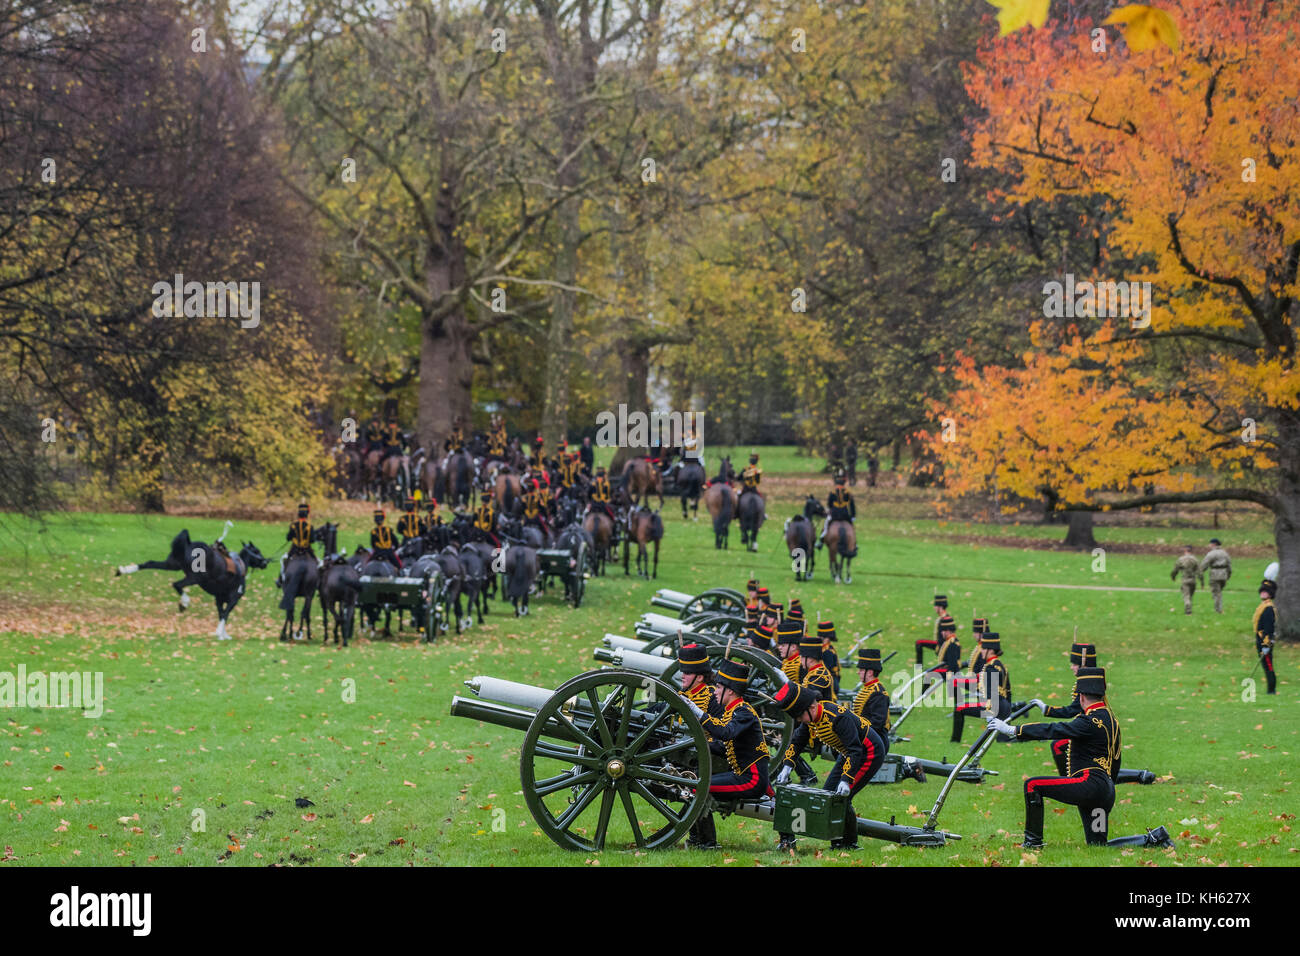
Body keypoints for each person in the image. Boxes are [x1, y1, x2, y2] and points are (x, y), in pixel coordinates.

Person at [986, 667, 1119, 848]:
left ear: (1081, 697)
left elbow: (1054, 729)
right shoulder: (1111, 719)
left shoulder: (1088, 720)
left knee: (1032, 785)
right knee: (1099, 845)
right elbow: (1116, 761)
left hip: (1090, 787)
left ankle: (1033, 843)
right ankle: (1153, 838)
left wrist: (1014, 730)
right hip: (1104, 793)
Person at [773, 681, 885, 850]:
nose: (799, 720)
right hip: (848, 753)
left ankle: (848, 844)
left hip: (868, 752)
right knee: (829, 794)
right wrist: (787, 766)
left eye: (799, 716)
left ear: (811, 707)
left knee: (841, 798)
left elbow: (856, 750)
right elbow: (797, 742)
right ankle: (837, 841)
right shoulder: (811, 717)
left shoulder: (837, 718)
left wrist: (846, 780)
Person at [681, 658, 771, 850]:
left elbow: (726, 733)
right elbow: (723, 747)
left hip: (751, 779)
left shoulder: (743, 712)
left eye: (719, 688)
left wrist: (698, 712)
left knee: (699, 787)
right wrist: (693, 744)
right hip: (742, 775)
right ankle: (697, 839)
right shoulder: (732, 712)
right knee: (696, 783)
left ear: (730, 691)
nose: (715, 692)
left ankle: (707, 843)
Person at [1254, 579, 1278, 695]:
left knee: (1269, 666)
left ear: (1270, 594)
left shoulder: (1268, 608)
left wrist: (1265, 644)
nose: (1263, 593)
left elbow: (1268, 628)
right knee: (1266, 666)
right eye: (1262, 591)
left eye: (1266, 592)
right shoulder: (1263, 606)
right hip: (1260, 640)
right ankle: (1270, 689)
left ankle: (1271, 690)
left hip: (1265, 642)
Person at [818, 472, 855, 549]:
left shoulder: (832, 492)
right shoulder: (848, 493)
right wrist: (853, 516)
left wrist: (828, 511)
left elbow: (829, 504)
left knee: (826, 524)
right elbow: (851, 505)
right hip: (845, 514)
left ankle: (821, 540)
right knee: (851, 527)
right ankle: (854, 543)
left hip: (834, 514)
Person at [1199, 538, 1232, 613]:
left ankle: (1218, 610)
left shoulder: (1211, 553)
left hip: (1214, 575)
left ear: (1213, 544)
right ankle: (1219, 608)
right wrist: (1228, 575)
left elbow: (1205, 564)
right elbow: (1229, 565)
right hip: (1224, 575)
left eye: (1210, 544)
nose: (1209, 545)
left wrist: (1199, 572)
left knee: (1216, 593)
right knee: (1219, 592)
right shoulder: (1225, 553)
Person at [916, 594, 948, 664]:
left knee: (919, 643)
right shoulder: (941, 618)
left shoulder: (946, 620)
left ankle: (918, 671)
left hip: (942, 646)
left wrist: (939, 648)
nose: (934, 608)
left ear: (940, 607)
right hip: (938, 644)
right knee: (919, 643)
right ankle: (918, 669)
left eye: (935, 606)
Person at [1171, 546, 1202, 614]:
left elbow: (1175, 569)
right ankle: (1189, 607)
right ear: (1191, 551)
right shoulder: (1195, 559)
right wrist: (1202, 581)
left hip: (1185, 579)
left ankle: (1188, 608)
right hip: (1193, 580)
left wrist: (1173, 576)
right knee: (1190, 595)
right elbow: (1200, 572)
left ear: (1185, 551)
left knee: (1186, 595)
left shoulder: (1181, 559)